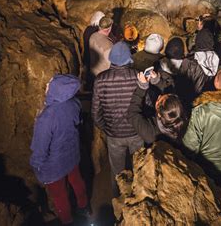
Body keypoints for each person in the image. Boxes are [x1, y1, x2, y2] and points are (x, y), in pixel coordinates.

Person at [30, 74, 89, 225]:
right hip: (72, 155)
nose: (47, 86)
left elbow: (39, 148)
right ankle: (84, 207)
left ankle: (67, 221)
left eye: (50, 84)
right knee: (76, 180)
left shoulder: (46, 117)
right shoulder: (74, 103)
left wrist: (37, 166)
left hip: (54, 165)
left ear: (57, 90)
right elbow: (78, 123)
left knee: (59, 195)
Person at [91, 41, 143, 197]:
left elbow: (95, 112)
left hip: (113, 134)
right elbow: (146, 104)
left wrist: (106, 128)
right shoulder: (137, 76)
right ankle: (139, 198)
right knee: (140, 168)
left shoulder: (100, 80)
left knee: (116, 172)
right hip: (136, 132)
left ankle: (117, 201)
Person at [127, 70, 188, 144]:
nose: (159, 96)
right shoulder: (177, 118)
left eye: (158, 101)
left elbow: (132, 114)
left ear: (159, 114)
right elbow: (168, 97)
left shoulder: (151, 133)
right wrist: (157, 81)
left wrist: (142, 87)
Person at [158, 37, 209, 106]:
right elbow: (199, 88)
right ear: (182, 52)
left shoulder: (158, 65)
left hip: (167, 107)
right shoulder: (193, 67)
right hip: (189, 105)